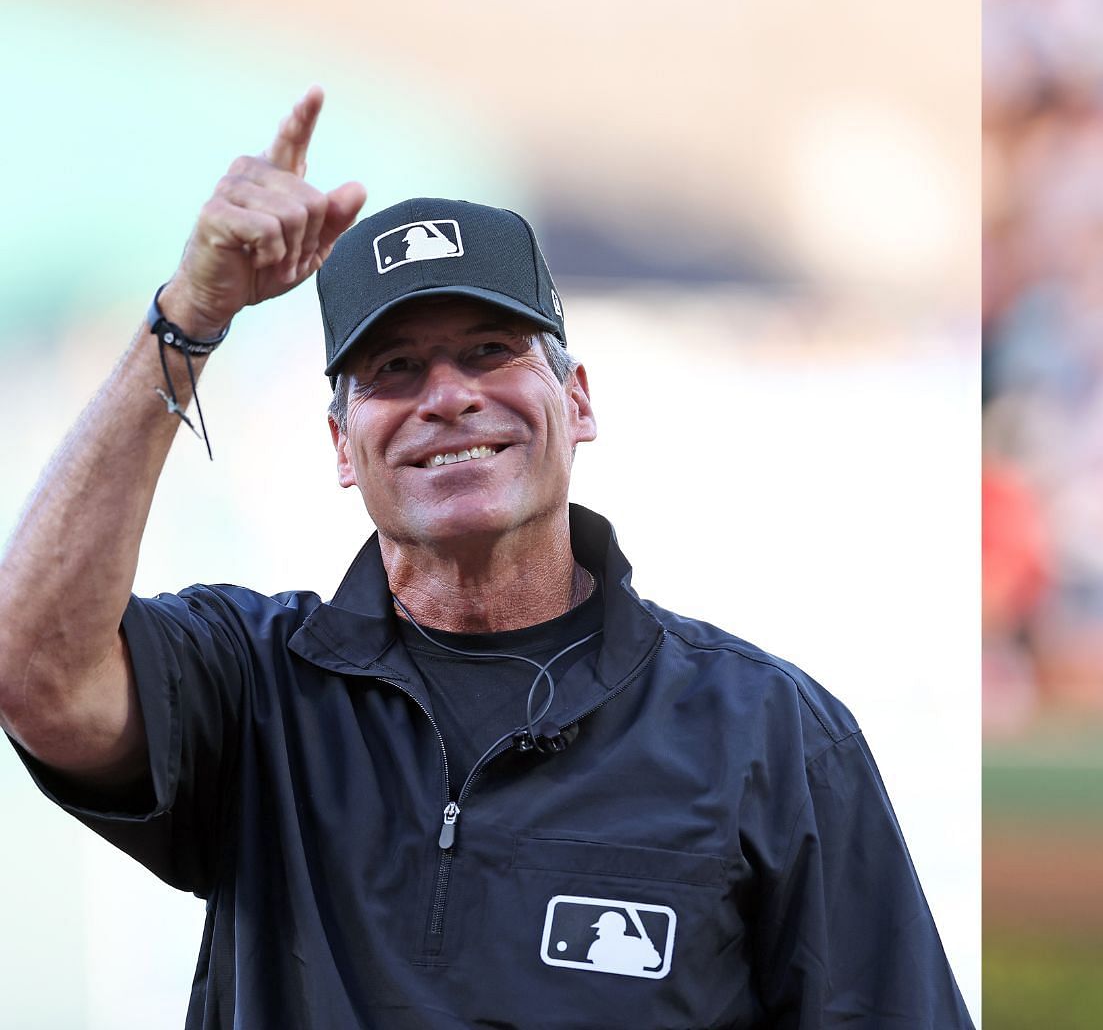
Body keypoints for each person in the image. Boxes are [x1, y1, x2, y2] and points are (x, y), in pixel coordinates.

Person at [0, 87, 972, 1029]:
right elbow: (30, 663)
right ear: (343, 446)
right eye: (394, 369)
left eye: (490, 350)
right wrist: (191, 313)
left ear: (579, 401)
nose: (449, 396)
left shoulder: (770, 736)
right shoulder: (251, 686)